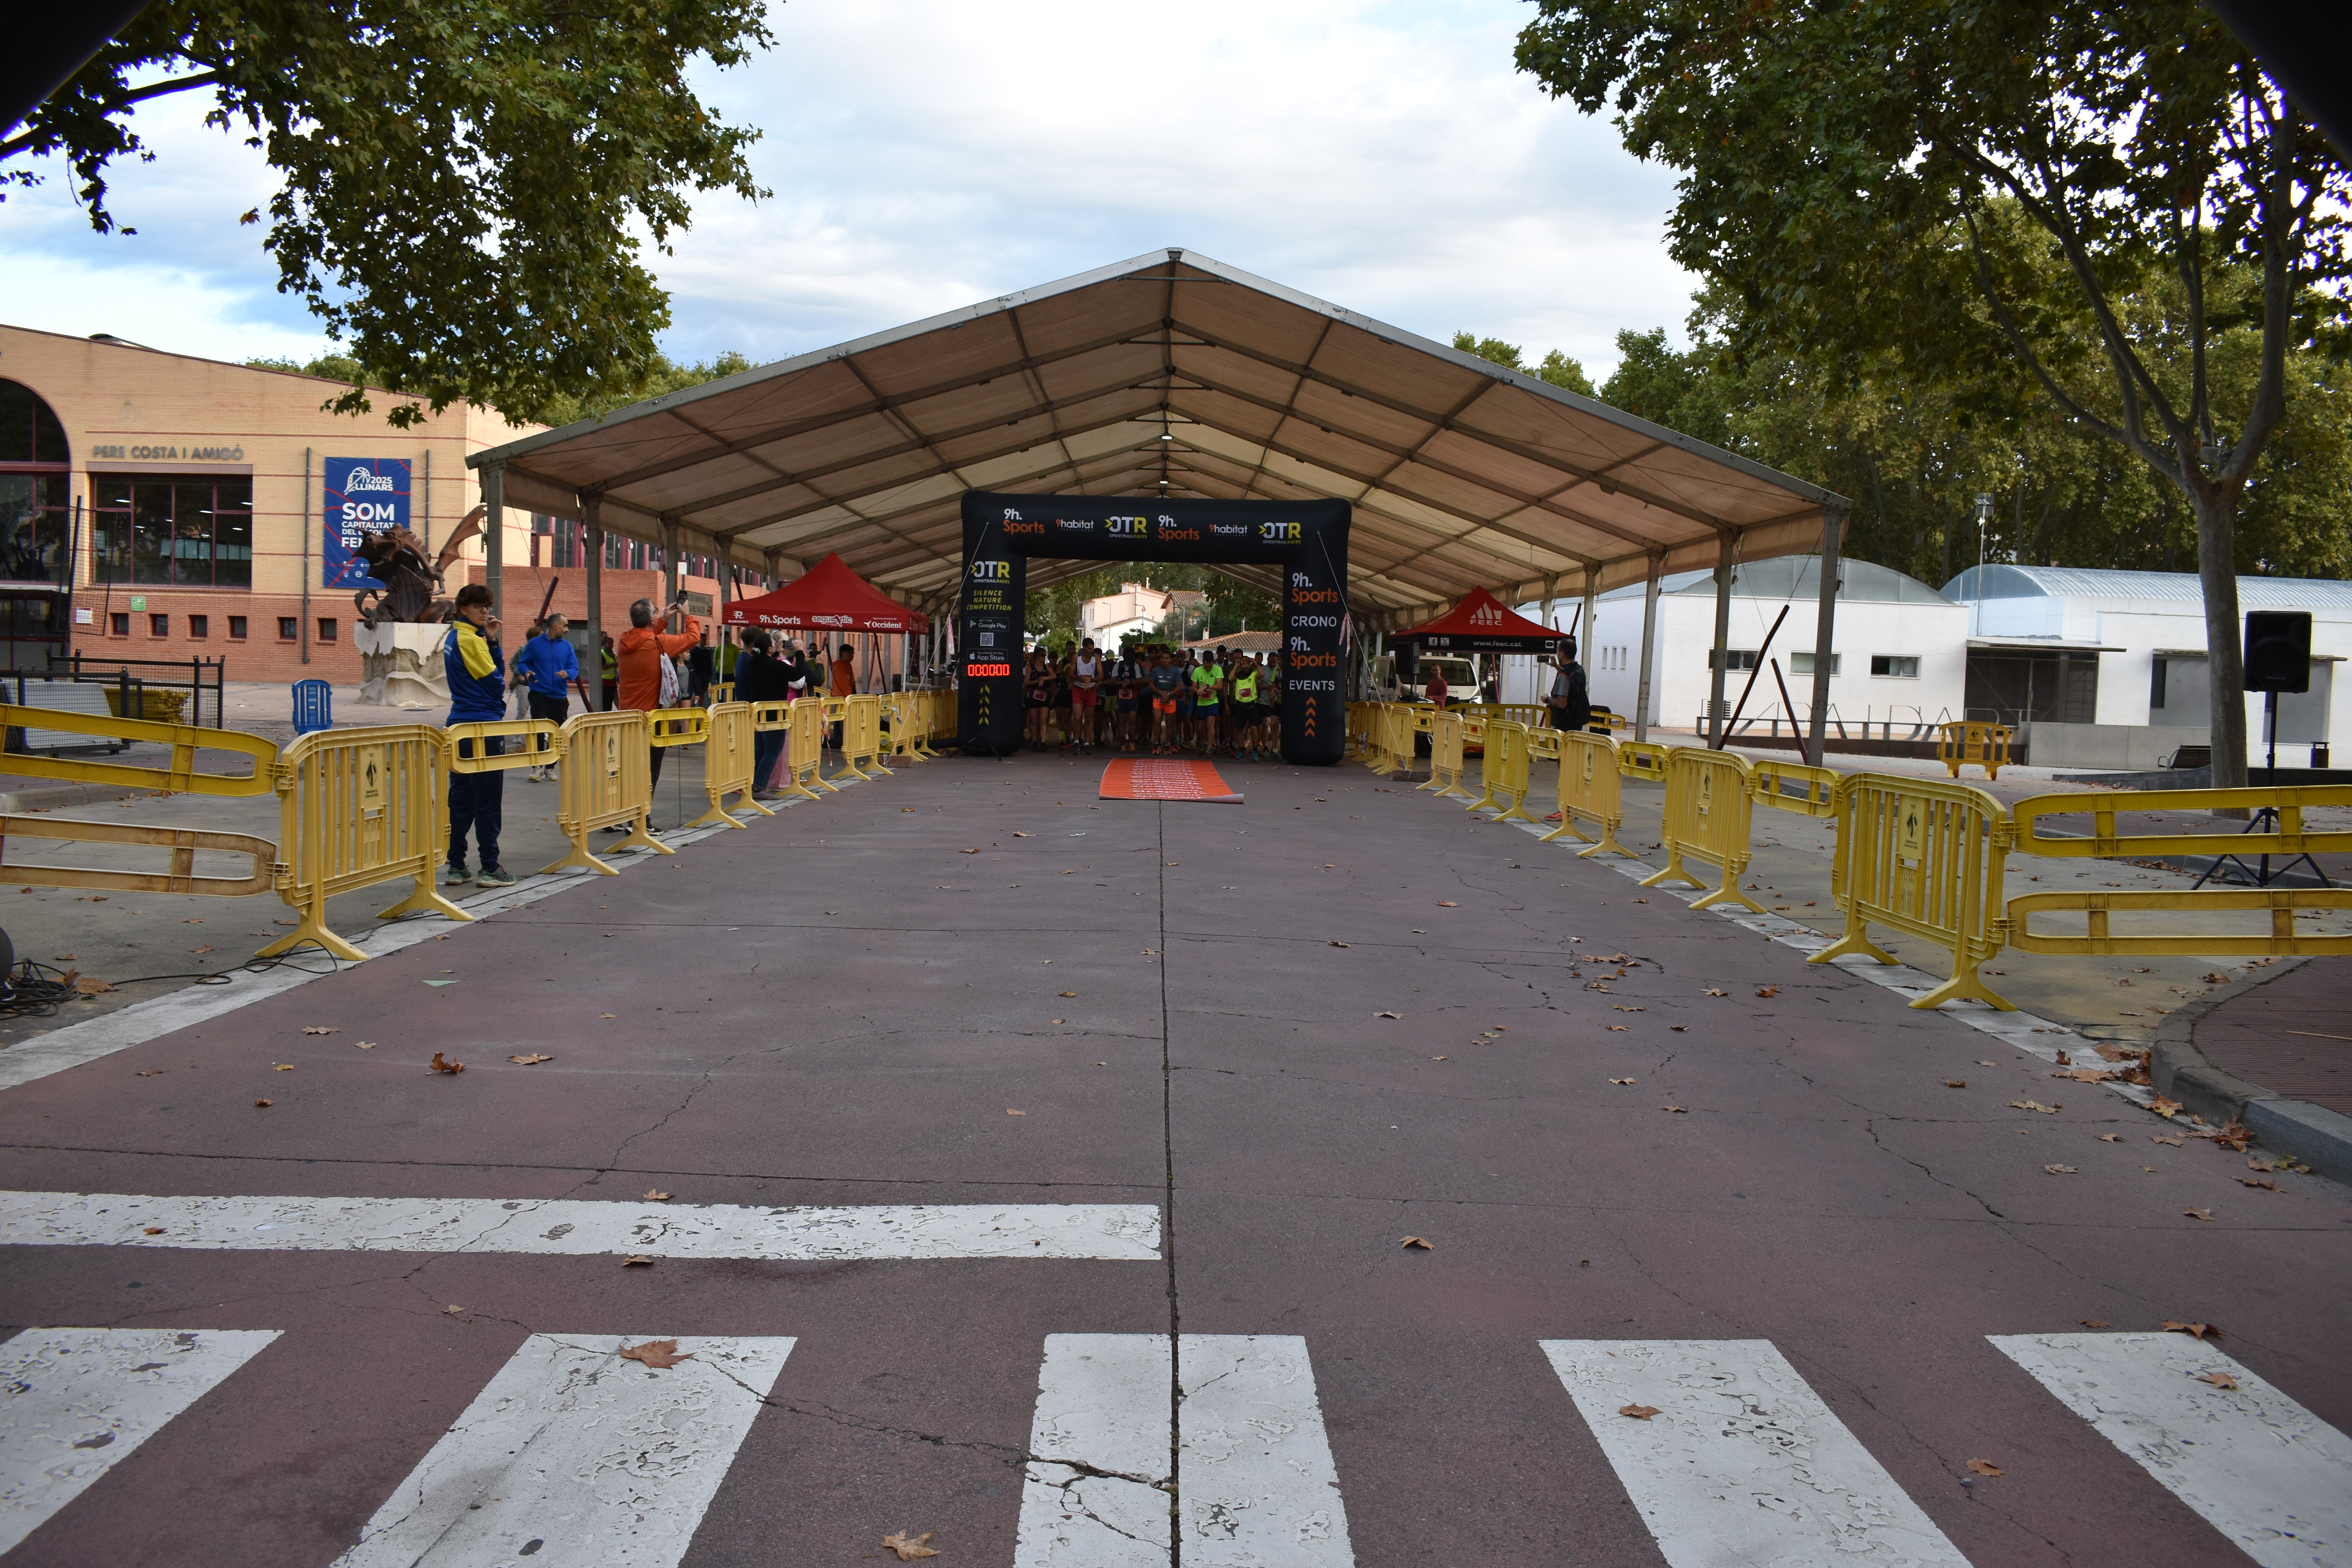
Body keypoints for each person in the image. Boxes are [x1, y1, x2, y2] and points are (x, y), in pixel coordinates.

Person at [443, 584, 514, 887]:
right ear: (463, 609)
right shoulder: (470, 640)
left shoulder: (455, 637)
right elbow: (496, 683)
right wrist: (491, 645)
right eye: (478, 607)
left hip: (459, 723)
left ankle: (457, 866)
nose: (485, 612)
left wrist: (492, 640)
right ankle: (489, 867)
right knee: (487, 800)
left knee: (461, 799)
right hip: (483, 725)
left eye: (488, 606)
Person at [617, 594, 702, 793]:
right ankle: (643, 810)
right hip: (652, 719)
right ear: (651, 619)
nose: (658, 613)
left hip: (626, 716)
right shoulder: (658, 642)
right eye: (655, 611)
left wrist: (663, 620)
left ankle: (624, 808)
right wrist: (687, 615)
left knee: (628, 768)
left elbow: (644, 637)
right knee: (650, 772)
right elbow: (693, 637)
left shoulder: (624, 641)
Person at [512, 612, 581, 782]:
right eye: (565, 626)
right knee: (538, 730)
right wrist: (526, 672)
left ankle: (550, 768)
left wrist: (567, 673)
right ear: (555, 626)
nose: (567, 630)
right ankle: (537, 768)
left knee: (556, 734)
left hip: (559, 697)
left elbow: (575, 669)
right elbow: (522, 662)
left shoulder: (567, 647)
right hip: (539, 694)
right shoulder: (535, 644)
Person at [735, 629, 793, 796]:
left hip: (754, 709)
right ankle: (759, 786)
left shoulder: (747, 660)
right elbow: (792, 676)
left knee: (761, 750)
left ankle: (755, 784)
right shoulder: (753, 662)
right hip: (764, 710)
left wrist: (775, 653)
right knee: (772, 750)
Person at [1147, 648, 1185, 754]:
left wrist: (1169, 694)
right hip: (1158, 698)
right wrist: (1160, 692)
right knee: (1157, 721)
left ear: (1170, 660)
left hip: (1170, 699)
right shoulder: (1156, 670)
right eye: (1163, 658)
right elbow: (1151, 684)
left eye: (1167, 658)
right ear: (1160, 659)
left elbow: (1179, 687)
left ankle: (1167, 744)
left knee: (1169, 723)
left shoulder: (1175, 671)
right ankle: (1156, 744)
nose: (1165, 660)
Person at [1069, 637, 1103, 755]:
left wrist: (1090, 681)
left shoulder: (1096, 657)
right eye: (1090, 648)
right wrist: (1080, 678)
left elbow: (1101, 675)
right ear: (1084, 648)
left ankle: (1088, 743)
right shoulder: (1076, 658)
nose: (1092, 650)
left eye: (1093, 648)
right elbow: (1071, 674)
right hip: (1078, 689)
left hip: (1091, 690)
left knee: (1090, 718)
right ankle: (1076, 741)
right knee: (1077, 717)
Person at [1110, 644, 1145, 751]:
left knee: (1133, 719)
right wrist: (1122, 683)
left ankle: (1132, 742)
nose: (1128, 661)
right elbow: (1113, 681)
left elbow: (1140, 680)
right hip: (1121, 696)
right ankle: (1123, 743)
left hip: (1133, 696)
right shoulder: (1118, 666)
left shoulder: (1136, 666)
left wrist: (1130, 683)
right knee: (1122, 719)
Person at [1190, 647, 1225, 754]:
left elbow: (1220, 686)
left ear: (1213, 663)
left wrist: (1208, 687)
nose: (1208, 668)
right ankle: (1204, 743)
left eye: (1210, 666)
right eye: (1206, 666)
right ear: (1203, 663)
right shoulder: (1197, 671)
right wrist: (1199, 691)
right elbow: (1193, 687)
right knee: (1201, 727)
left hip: (1213, 701)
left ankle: (1209, 749)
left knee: (1211, 723)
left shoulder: (1218, 669)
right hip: (1201, 702)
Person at [1230, 653, 1263, 762]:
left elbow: (1262, 674)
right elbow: (1230, 678)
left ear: (1250, 665)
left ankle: (1255, 751)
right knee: (1240, 729)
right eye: (1243, 664)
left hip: (1252, 706)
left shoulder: (1253, 674)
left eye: (1247, 664)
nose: (1245, 666)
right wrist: (1236, 666)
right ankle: (1241, 751)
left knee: (1253, 728)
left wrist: (1255, 663)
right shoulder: (1238, 675)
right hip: (1240, 705)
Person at [599, 633, 618, 710]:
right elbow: (602, 666)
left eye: (612, 644)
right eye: (609, 644)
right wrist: (614, 664)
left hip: (612, 681)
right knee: (605, 702)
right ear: (604, 644)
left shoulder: (612, 653)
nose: (611, 645)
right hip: (605, 682)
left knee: (610, 701)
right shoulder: (602, 653)